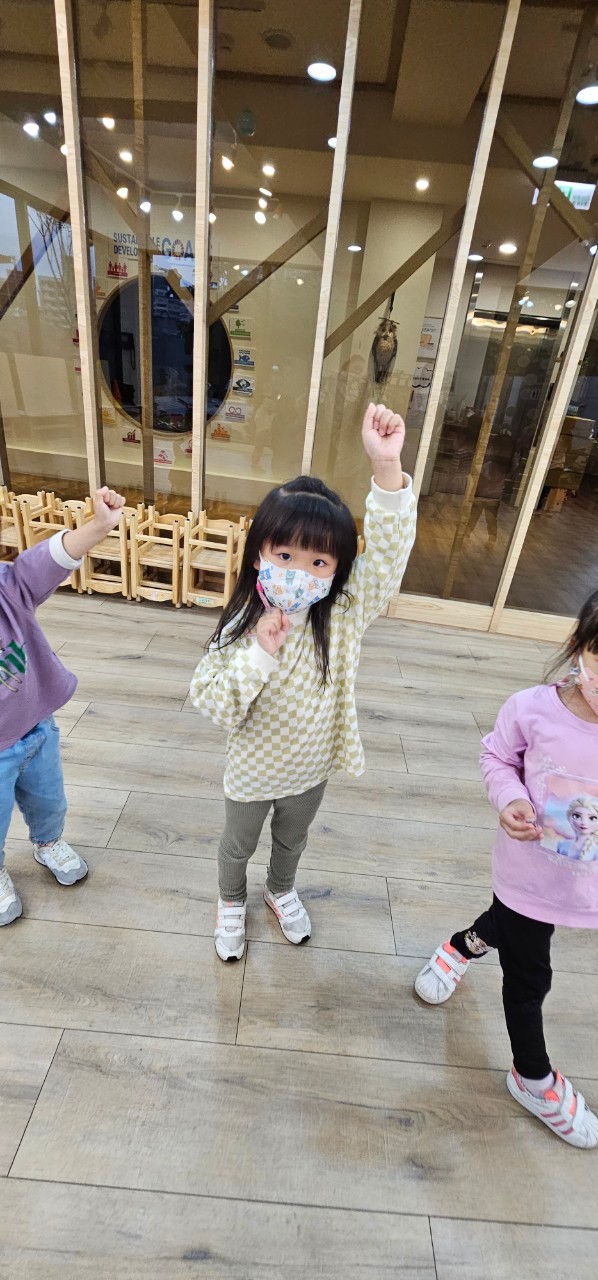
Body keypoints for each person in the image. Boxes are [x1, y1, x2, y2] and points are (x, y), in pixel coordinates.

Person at [190, 402, 416, 961]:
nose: (298, 572)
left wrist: (386, 469)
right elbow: (213, 703)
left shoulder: (343, 613)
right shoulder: (240, 626)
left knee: (292, 840)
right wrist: (259, 654)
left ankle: (280, 890)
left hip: (311, 766)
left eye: (319, 563)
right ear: (259, 555)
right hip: (253, 768)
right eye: (285, 555)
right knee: (237, 845)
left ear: (337, 571)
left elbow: (388, 559)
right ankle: (231, 900)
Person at [414, 589, 598, 1148]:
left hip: (587, 884)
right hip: (529, 876)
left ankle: (462, 945)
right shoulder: (532, 709)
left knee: (508, 928)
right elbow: (496, 755)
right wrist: (510, 797)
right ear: (580, 647)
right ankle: (531, 1077)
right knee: (529, 974)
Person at [0, 487, 126, 926]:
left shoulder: (7, 588)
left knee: (49, 800)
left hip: (37, 727)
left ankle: (48, 842)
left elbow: (48, 559)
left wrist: (98, 526)